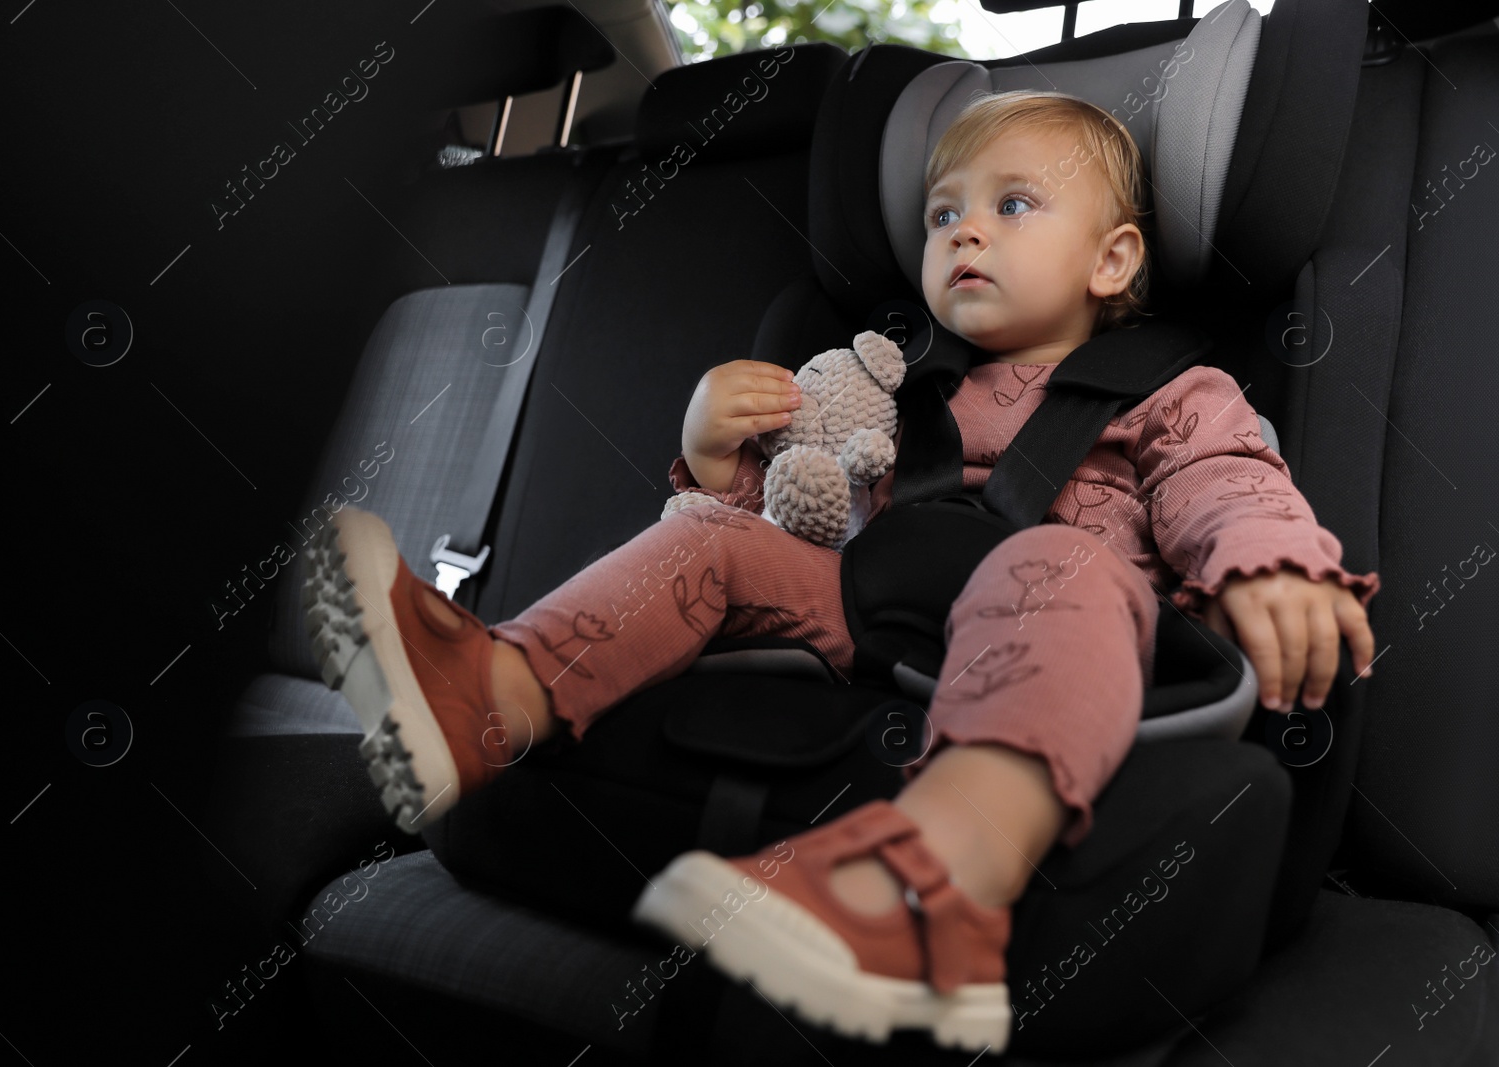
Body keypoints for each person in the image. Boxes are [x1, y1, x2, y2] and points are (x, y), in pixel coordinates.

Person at [305, 89, 1380, 1050]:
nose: (962, 227)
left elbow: (1225, 484)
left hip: (1068, 635)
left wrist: (1266, 564)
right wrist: (721, 463)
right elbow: (790, 533)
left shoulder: (1175, 392)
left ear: (1111, 261)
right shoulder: (889, 389)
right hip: (873, 613)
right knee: (713, 543)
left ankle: (946, 862)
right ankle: (489, 693)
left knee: (1051, 559)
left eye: (1012, 206)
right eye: (941, 212)